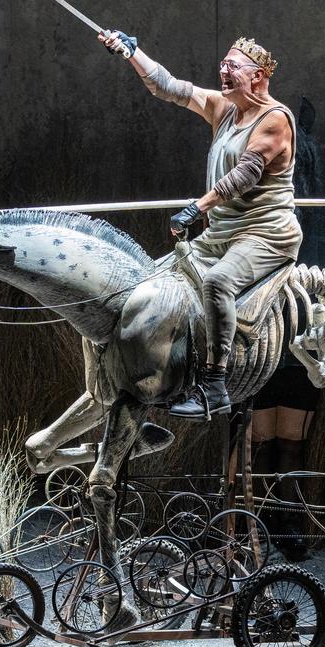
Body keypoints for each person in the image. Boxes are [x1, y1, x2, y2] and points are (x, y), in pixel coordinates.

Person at [100, 30, 302, 420]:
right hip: (222, 233)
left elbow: (245, 175)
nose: (223, 71)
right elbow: (170, 87)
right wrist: (131, 52)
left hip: (264, 233)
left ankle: (214, 385)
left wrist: (197, 207)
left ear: (257, 76)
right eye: (223, 64)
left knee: (217, 283)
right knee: (150, 280)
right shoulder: (224, 107)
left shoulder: (275, 119)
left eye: (233, 67)